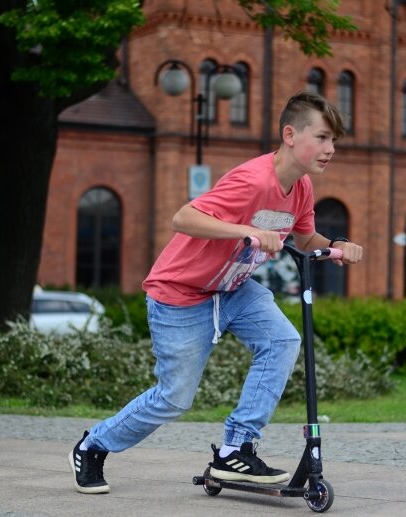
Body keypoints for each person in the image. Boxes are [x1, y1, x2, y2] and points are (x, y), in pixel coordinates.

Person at [69, 91, 363, 494]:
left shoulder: (302, 187)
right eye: (323, 137)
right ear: (290, 135)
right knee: (174, 398)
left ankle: (234, 448)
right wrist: (248, 231)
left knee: (282, 340)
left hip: (232, 288)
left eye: (335, 141)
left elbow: (306, 235)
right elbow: (183, 217)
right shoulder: (252, 180)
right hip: (181, 293)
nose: (330, 149)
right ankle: (92, 445)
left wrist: (339, 246)